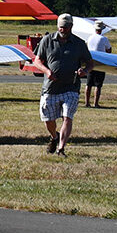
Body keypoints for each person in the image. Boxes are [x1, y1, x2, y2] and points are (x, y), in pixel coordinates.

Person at [30, 14, 93, 157]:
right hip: (50, 87)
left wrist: (85, 71)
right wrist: (46, 71)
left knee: (67, 117)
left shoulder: (79, 43)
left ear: (71, 27)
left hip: (71, 87)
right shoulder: (47, 40)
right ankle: (54, 136)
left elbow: (90, 63)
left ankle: (61, 149)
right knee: (48, 119)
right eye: (61, 27)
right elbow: (37, 60)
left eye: (66, 27)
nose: (63, 29)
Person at [84, 20, 111, 107]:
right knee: (98, 85)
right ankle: (96, 103)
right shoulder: (104, 39)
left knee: (89, 83)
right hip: (100, 62)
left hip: (90, 61)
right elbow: (109, 50)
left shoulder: (90, 38)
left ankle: (87, 102)